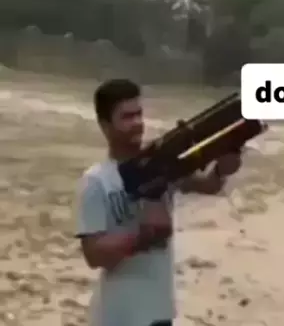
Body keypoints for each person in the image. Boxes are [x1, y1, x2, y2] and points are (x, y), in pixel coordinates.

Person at [75, 78, 242, 326]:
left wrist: (221, 169)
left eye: (139, 114)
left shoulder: (162, 164)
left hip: (160, 311)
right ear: (105, 125)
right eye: (127, 117)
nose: (137, 123)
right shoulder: (95, 181)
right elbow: (94, 255)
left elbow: (209, 185)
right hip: (117, 316)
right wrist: (143, 236)